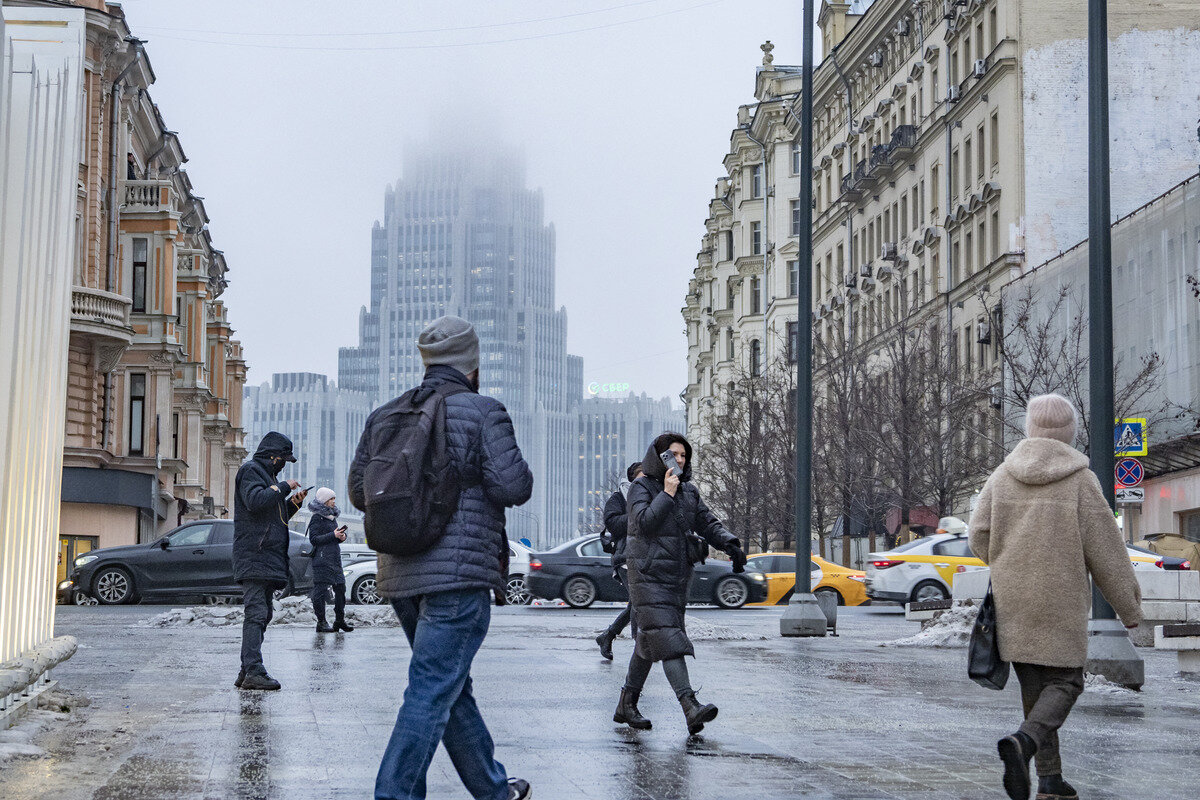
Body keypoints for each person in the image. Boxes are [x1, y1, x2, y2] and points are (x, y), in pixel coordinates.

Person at [349, 315, 535, 800]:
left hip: (400, 571)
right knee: (432, 690)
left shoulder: (386, 415)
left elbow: (357, 491)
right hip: (459, 572)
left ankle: (493, 790)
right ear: (472, 365)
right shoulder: (483, 411)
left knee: (449, 686)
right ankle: (394, 795)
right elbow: (513, 485)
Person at [969, 393, 1142, 800]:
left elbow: (978, 536)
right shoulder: (1081, 480)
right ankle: (1025, 743)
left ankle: (1049, 780)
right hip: (1060, 599)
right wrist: (1128, 607)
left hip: (1013, 599)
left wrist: (1007, 558)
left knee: (1035, 688)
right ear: (1069, 433)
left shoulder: (1002, 476)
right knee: (1066, 681)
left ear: (1030, 428)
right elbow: (1107, 550)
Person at [615, 432, 746, 735]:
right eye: (674, 455)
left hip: (676, 578)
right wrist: (667, 494)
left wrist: (731, 545)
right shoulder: (641, 488)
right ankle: (690, 706)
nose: (680, 461)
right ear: (659, 457)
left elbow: (708, 522)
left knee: (651, 640)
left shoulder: (689, 492)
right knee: (669, 639)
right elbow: (644, 523)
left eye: (684, 456)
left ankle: (626, 703)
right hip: (647, 576)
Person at [232, 431, 306, 691]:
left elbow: (272, 514)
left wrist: (292, 504)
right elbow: (255, 501)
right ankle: (253, 670)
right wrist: (284, 487)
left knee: (264, 614)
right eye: (283, 458)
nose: (285, 463)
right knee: (256, 614)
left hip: (265, 557)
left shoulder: (268, 477)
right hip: (255, 555)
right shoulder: (251, 471)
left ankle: (246, 671)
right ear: (273, 456)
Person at [595, 462, 643, 660]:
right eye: (641, 475)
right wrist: (638, 517)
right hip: (624, 557)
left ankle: (608, 635)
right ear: (632, 477)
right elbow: (612, 523)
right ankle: (639, 646)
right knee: (639, 601)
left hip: (644, 557)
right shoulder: (619, 497)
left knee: (637, 602)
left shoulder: (651, 496)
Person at [308, 487, 353, 634]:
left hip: (334, 558)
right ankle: (321, 622)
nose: (334, 501)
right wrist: (333, 535)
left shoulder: (332, 517)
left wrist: (341, 537)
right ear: (324, 501)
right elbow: (314, 539)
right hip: (322, 560)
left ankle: (339, 620)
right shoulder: (316, 517)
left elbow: (332, 537)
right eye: (331, 499)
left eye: (334, 498)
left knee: (341, 589)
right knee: (320, 592)